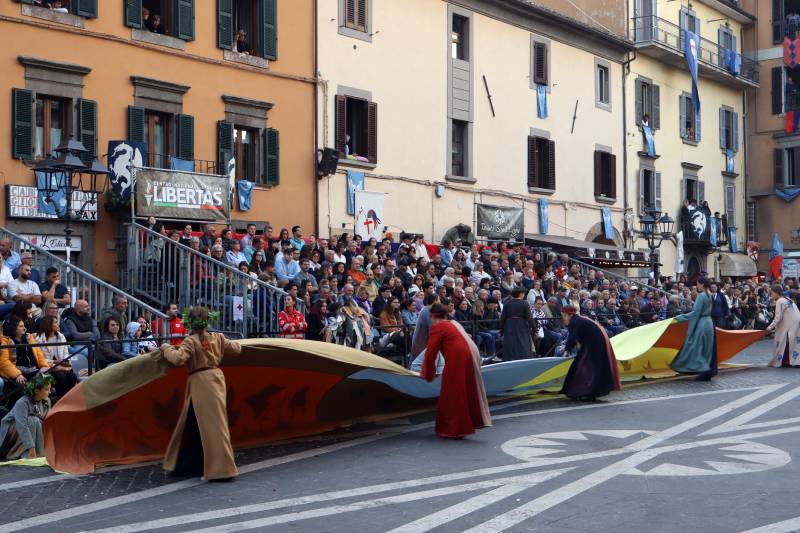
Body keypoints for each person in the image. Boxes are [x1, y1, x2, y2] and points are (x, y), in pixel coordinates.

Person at [158, 306, 241, 481]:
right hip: (216, 379)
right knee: (203, 423)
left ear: (190, 323)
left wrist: (166, 347)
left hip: (200, 382)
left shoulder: (191, 341)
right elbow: (236, 349)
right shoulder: (217, 337)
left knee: (209, 425)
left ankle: (219, 470)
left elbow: (178, 358)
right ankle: (194, 464)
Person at [420, 303, 492, 439]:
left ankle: (455, 429)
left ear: (432, 316)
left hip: (458, 358)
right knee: (467, 389)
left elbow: (430, 353)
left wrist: (428, 374)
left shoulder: (438, 327)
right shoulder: (454, 323)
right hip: (471, 354)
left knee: (452, 392)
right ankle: (471, 422)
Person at [558, 306, 621, 401]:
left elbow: (572, 337)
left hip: (594, 343)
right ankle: (588, 391)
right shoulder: (578, 319)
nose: (564, 318)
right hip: (595, 341)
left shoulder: (574, 321)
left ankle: (584, 392)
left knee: (587, 367)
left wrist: (567, 350)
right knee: (588, 366)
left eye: (564, 316)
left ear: (570, 315)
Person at [670, 278, 717, 381]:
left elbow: (696, 313)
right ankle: (707, 371)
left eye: (698, 284)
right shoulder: (710, 294)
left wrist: (680, 318)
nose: (697, 286)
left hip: (702, 324)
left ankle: (701, 369)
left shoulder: (701, 296)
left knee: (696, 347)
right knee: (707, 348)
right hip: (709, 323)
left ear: (702, 284)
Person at [0, 373, 54, 460]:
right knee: (33, 420)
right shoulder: (22, 402)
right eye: (47, 389)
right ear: (36, 391)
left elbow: (47, 423)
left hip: (32, 427)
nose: (50, 392)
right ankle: (26, 453)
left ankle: (40, 452)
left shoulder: (47, 401)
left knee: (36, 421)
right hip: (12, 431)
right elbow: (22, 426)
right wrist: (31, 449)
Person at [0, 317, 50, 407]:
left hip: (33, 370)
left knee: (52, 378)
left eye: (24, 326)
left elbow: (39, 353)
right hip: (18, 372)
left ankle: (42, 408)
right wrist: (17, 374)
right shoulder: (5, 341)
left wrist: (43, 366)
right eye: (21, 326)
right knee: (24, 387)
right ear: (13, 328)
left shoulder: (29, 337)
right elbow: (3, 361)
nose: (24, 328)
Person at [34, 315, 77, 398]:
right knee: (60, 377)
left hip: (62, 366)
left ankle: (64, 400)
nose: (58, 325)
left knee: (72, 377)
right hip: (48, 368)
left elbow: (66, 354)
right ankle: (62, 400)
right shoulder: (39, 339)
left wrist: (66, 363)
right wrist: (55, 362)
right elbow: (40, 359)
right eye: (55, 323)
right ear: (48, 325)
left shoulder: (61, 336)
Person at [499, 287, 538, 360]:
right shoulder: (524, 303)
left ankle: (510, 359)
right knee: (522, 343)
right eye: (523, 293)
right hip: (521, 325)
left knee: (510, 343)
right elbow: (529, 318)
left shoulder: (507, 303)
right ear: (520, 294)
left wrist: (501, 330)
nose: (524, 295)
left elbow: (503, 318)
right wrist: (535, 329)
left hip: (509, 325)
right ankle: (522, 359)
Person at [766, 284, 800, 367]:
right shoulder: (787, 298)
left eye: (772, 293)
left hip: (789, 325)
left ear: (777, 293)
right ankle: (795, 361)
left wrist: (769, 328)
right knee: (793, 343)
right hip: (795, 323)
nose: (771, 295)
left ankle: (785, 361)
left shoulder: (780, 301)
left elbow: (778, 317)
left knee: (785, 342)